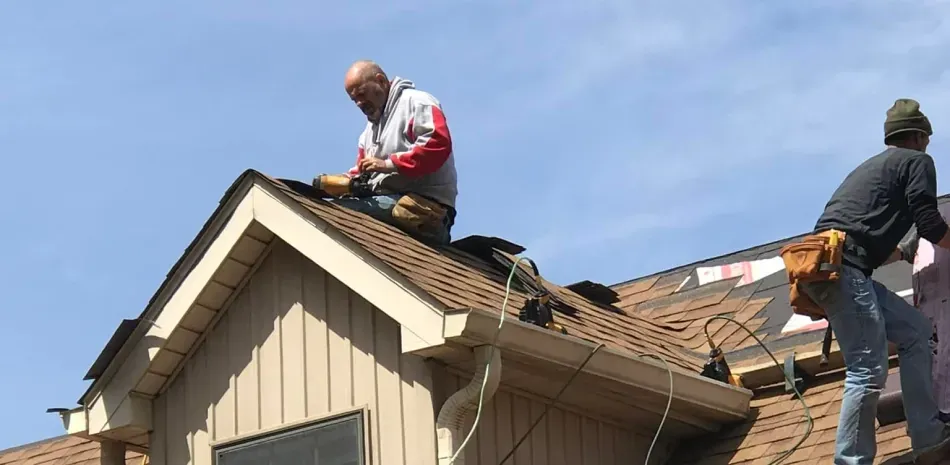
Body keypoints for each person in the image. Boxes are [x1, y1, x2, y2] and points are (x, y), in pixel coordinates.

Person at [802, 98, 950, 464]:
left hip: (834, 268)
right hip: (843, 271)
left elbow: (866, 237)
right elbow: (930, 223)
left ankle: (929, 437)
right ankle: (851, 460)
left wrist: (903, 251)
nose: (927, 146)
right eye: (926, 139)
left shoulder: (875, 170)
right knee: (867, 369)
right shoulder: (917, 162)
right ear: (918, 136)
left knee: (915, 330)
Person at [323, 60, 458, 245]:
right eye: (354, 100)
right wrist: (341, 183)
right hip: (390, 202)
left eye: (362, 94)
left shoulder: (416, 103)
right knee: (329, 209)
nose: (360, 103)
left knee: (340, 213)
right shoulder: (368, 134)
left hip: (424, 208)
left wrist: (389, 164)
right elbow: (362, 173)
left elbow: (437, 144)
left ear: (381, 81)